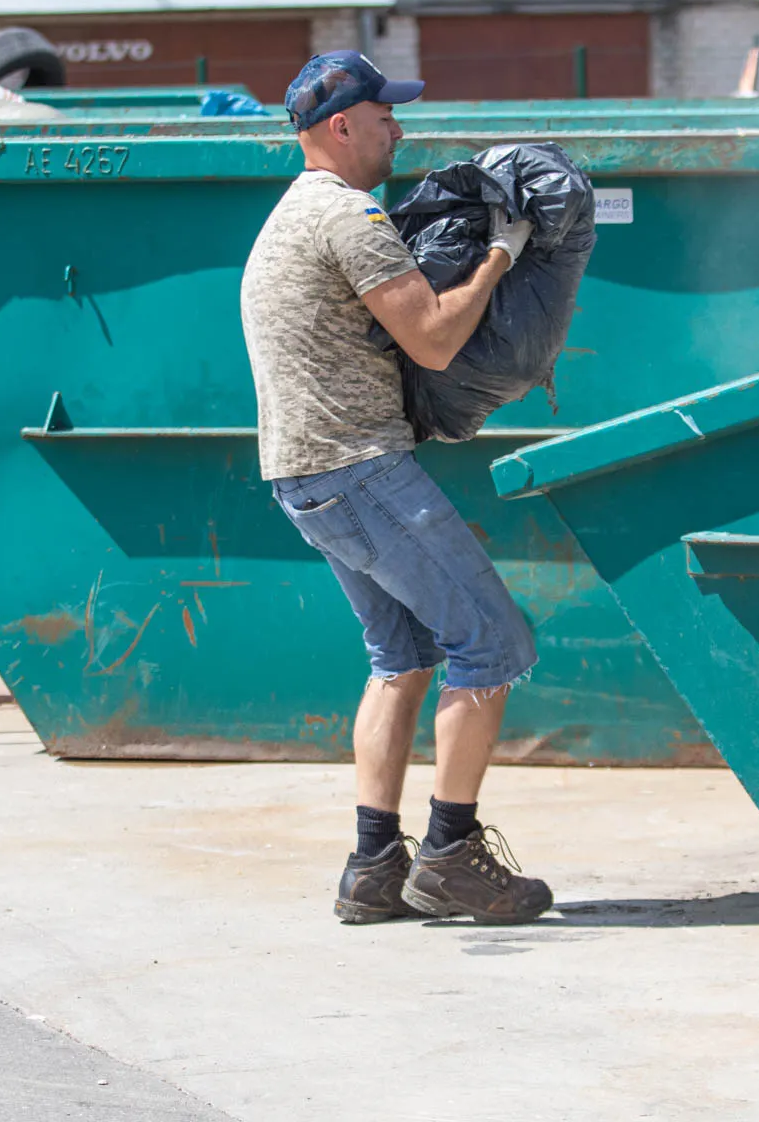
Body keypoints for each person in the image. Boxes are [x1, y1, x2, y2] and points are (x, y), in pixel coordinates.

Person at [240, 51, 552, 927]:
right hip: (359, 469)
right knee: (493, 645)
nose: (399, 129)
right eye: (386, 116)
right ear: (341, 126)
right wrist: (499, 254)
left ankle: (374, 867)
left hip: (303, 476)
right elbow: (434, 341)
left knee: (401, 658)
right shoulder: (347, 217)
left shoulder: (287, 216)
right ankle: (453, 855)